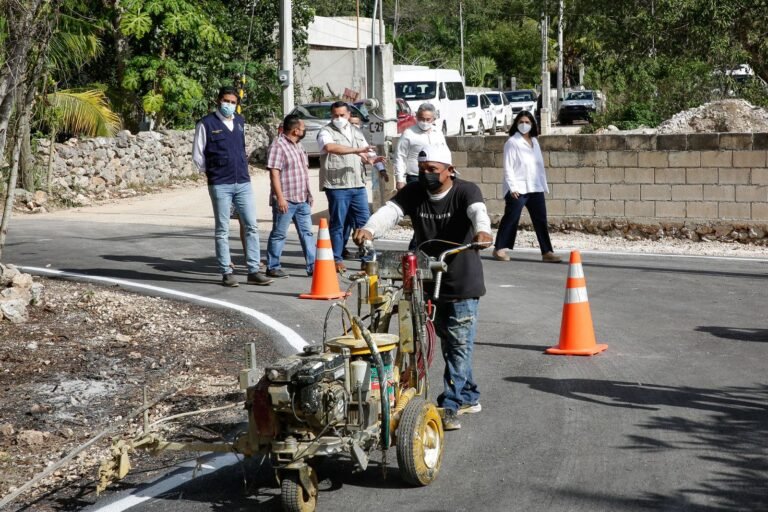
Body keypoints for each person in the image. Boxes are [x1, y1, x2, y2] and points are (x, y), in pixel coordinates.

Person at [353, 145, 493, 431]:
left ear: (449, 171)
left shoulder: (466, 191)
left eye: (433, 170)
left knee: (458, 343)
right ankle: (468, 394)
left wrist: (483, 231)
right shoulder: (415, 192)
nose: (427, 175)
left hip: (460, 280)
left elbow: (479, 212)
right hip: (424, 278)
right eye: (423, 169)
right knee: (438, 337)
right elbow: (390, 212)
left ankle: (451, 404)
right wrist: (369, 229)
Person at [192, 86, 273, 287]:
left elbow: (241, 146)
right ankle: (226, 271)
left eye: (233, 102)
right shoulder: (206, 124)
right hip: (220, 183)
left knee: (251, 226)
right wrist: (212, 172)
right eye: (225, 101)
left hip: (243, 182)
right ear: (218, 100)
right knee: (222, 229)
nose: (228, 105)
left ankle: (253, 269)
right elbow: (198, 155)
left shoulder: (239, 122)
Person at [317, 101, 380, 273]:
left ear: (348, 115)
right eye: (335, 115)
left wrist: (376, 163)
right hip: (337, 186)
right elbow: (329, 147)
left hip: (357, 184)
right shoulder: (325, 132)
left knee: (364, 224)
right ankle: (336, 258)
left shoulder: (356, 131)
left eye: (342, 115)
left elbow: (368, 153)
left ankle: (367, 259)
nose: (338, 118)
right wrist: (356, 150)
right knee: (338, 223)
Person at [493, 111, 561, 263]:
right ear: (516, 124)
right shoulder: (512, 142)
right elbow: (508, 167)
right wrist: (512, 187)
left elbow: (539, 166)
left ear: (532, 124)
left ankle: (547, 252)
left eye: (528, 122)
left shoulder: (535, 142)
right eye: (521, 122)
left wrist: (544, 185)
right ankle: (499, 249)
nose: (524, 125)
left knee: (541, 220)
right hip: (518, 188)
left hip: (535, 187)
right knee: (511, 218)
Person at [264, 114, 316, 278]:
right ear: (295, 130)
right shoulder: (278, 146)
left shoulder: (298, 145)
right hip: (286, 199)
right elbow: (274, 174)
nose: (304, 130)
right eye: (302, 128)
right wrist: (280, 198)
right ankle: (272, 266)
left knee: (307, 233)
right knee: (279, 233)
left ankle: (313, 266)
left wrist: (309, 193)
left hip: (302, 199)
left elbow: (303, 172)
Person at [393, 103, 447, 191]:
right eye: (422, 119)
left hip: (436, 177)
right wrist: (400, 180)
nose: (424, 122)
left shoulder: (438, 133)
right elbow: (400, 157)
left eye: (428, 119)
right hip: (416, 178)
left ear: (433, 119)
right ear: (417, 117)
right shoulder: (409, 134)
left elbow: (445, 153)